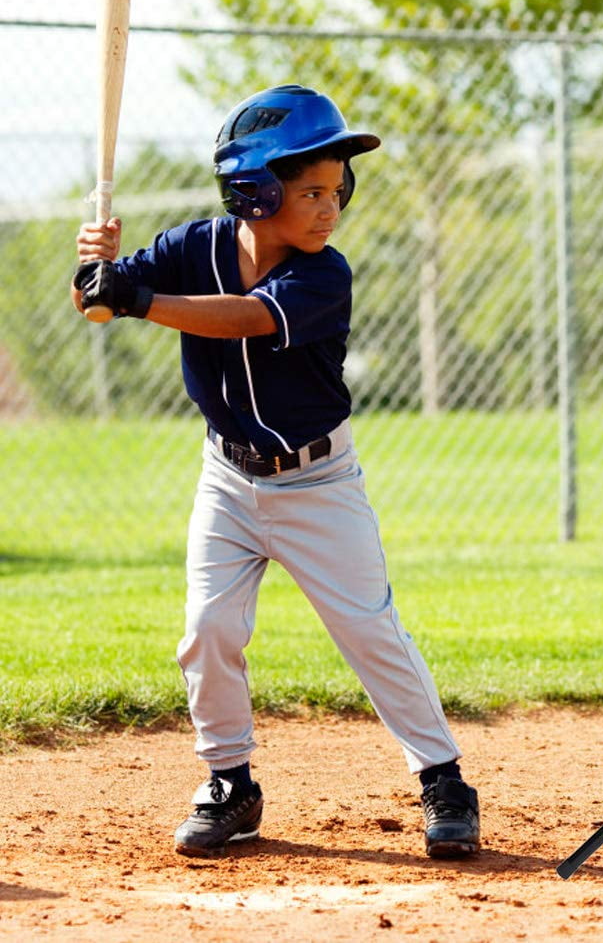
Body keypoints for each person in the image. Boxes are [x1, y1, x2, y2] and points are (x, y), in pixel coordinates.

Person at [71, 84, 480, 860]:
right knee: (208, 631)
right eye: (311, 191)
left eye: (338, 190)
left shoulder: (325, 275)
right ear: (252, 193)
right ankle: (231, 784)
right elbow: (96, 305)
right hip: (227, 479)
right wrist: (96, 272)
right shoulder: (193, 245)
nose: (331, 208)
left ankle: (444, 779)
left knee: (368, 630)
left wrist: (135, 295)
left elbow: (245, 317)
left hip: (318, 483)